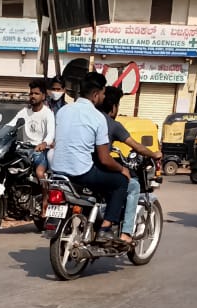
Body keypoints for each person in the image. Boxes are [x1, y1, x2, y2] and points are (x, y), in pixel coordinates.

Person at [52, 71, 130, 244]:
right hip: (81, 172)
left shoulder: (63, 111)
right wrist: (122, 169)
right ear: (95, 94)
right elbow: (104, 159)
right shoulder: (98, 118)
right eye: (103, 93)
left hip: (57, 170)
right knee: (120, 182)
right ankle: (105, 229)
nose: (104, 97)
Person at [101, 85, 162, 243]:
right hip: (99, 170)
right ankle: (126, 233)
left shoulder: (89, 118)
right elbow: (137, 146)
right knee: (133, 185)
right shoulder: (113, 124)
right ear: (114, 107)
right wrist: (154, 154)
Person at [13, 80, 55, 186]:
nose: (33, 96)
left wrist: (44, 143)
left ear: (43, 96)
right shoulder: (24, 112)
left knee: (40, 173)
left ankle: (45, 196)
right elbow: (11, 124)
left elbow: (51, 133)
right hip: (23, 150)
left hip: (40, 151)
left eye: (36, 93)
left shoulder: (47, 113)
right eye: (31, 93)